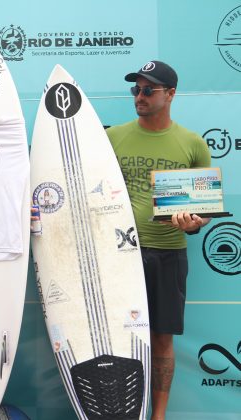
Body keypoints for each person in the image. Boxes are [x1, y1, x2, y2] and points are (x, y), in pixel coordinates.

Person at [106, 60, 211, 420]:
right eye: (135, 89)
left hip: (168, 252)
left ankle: (159, 415)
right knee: (118, 338)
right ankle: (119, 411)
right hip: (119, 253)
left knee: (162, 338)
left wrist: (192, 224)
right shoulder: (112, 137)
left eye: (148, 89)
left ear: (171, 94)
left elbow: (203, 211)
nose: (139, 95)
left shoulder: (193, 144)